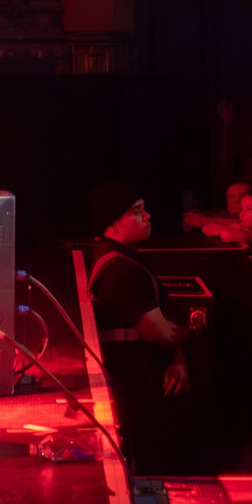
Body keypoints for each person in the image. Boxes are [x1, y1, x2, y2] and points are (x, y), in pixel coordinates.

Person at [85, 182, 196, 470]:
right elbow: (162, 333)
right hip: (139, 390)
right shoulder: (122, 270)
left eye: (144, 210)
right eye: (137, 212)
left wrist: (178, 355)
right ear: (112, 225)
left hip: (140, 385)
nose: (147, 216)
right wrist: (190, 332)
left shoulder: (115, 259)